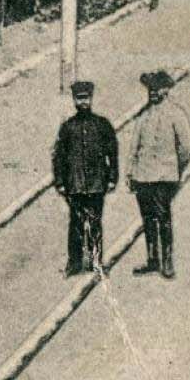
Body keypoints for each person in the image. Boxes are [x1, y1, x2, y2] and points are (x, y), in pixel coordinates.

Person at [127, 70, 190, 279]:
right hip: (143, 177)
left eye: (156, 88)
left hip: (164, 178)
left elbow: (187, 149)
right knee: (148, 220)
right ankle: (152, 260)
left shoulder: (176, 114)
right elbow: (134, 147)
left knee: (163, 218)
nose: (153, 92)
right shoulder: (144, 116)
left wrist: (175, 169)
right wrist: (130, 172)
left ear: (166, 90)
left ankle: (167, 262)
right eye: (150, 89)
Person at [51, 80, 118, 275]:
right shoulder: (68, 127)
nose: (83, 102)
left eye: (86, 98)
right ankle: (75, 263)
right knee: (76, 224)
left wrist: (112, 178)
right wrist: (60, 182)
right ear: (74, 100)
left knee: (95, 223)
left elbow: (112, 152)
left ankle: (96, 262)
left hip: (97, 183)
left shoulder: (102, 125)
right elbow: (58, 157)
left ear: (91, 99)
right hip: (76, 185)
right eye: (79, 99)